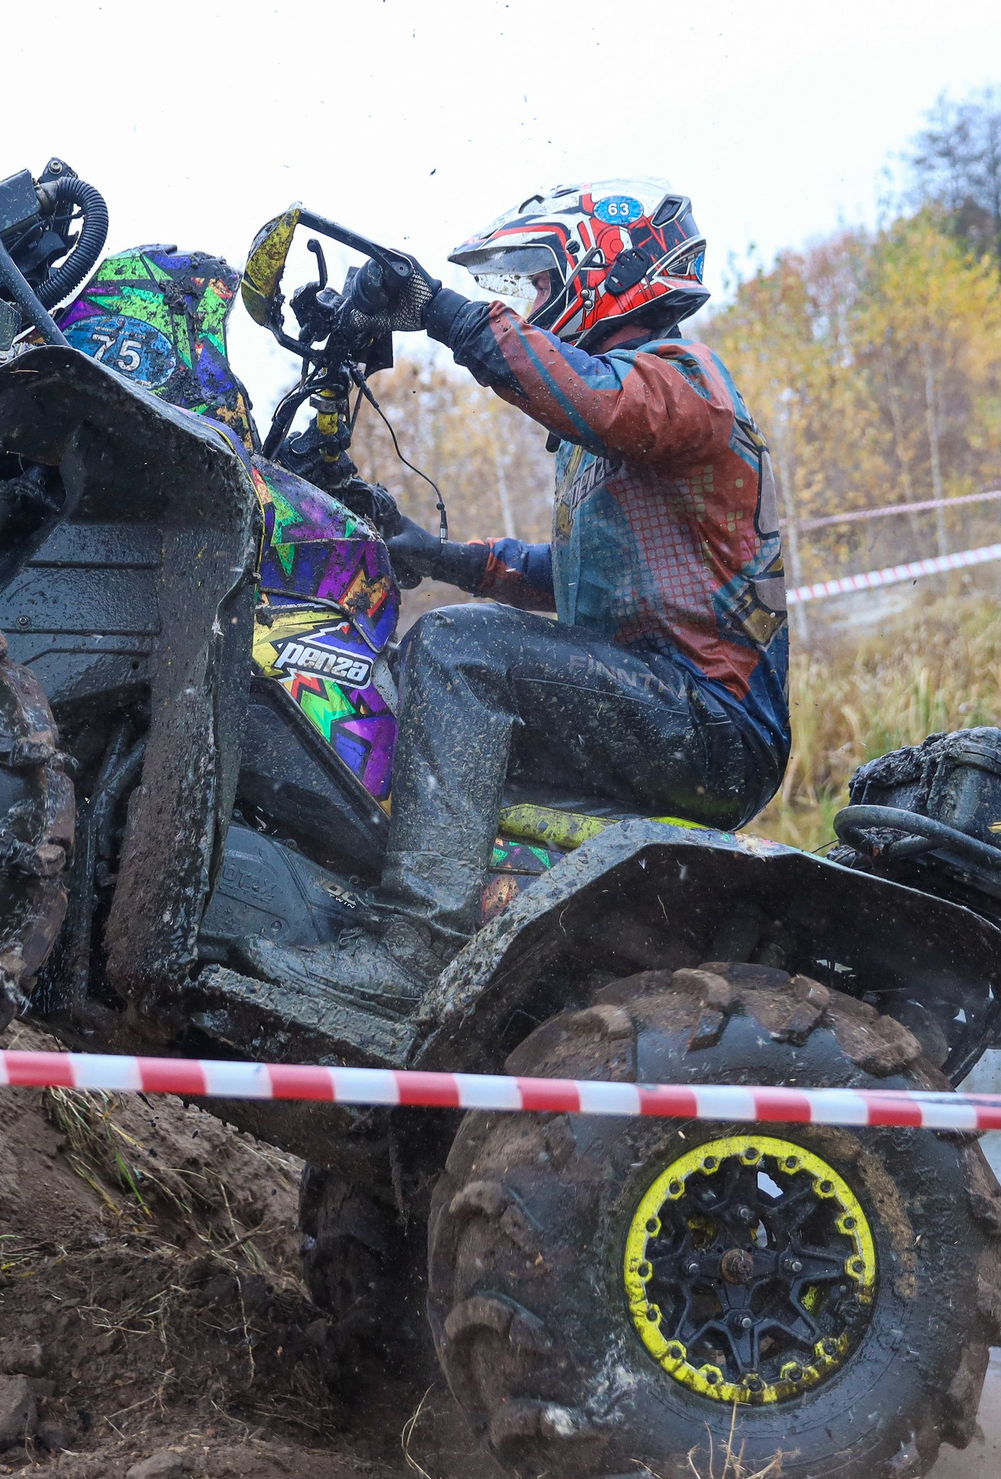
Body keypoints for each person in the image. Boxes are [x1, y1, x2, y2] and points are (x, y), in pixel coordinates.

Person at [239, 180, 792, 1016]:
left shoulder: (684, 380)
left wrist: (447, 314)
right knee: (406, 688)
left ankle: (411, 948)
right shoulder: (612, 429)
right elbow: (568, 572)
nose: (527, 306)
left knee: (458, 651)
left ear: (598, 272)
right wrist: (437, 554)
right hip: (659, 702)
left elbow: (596, 399)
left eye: (535, 285)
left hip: (710, 722)